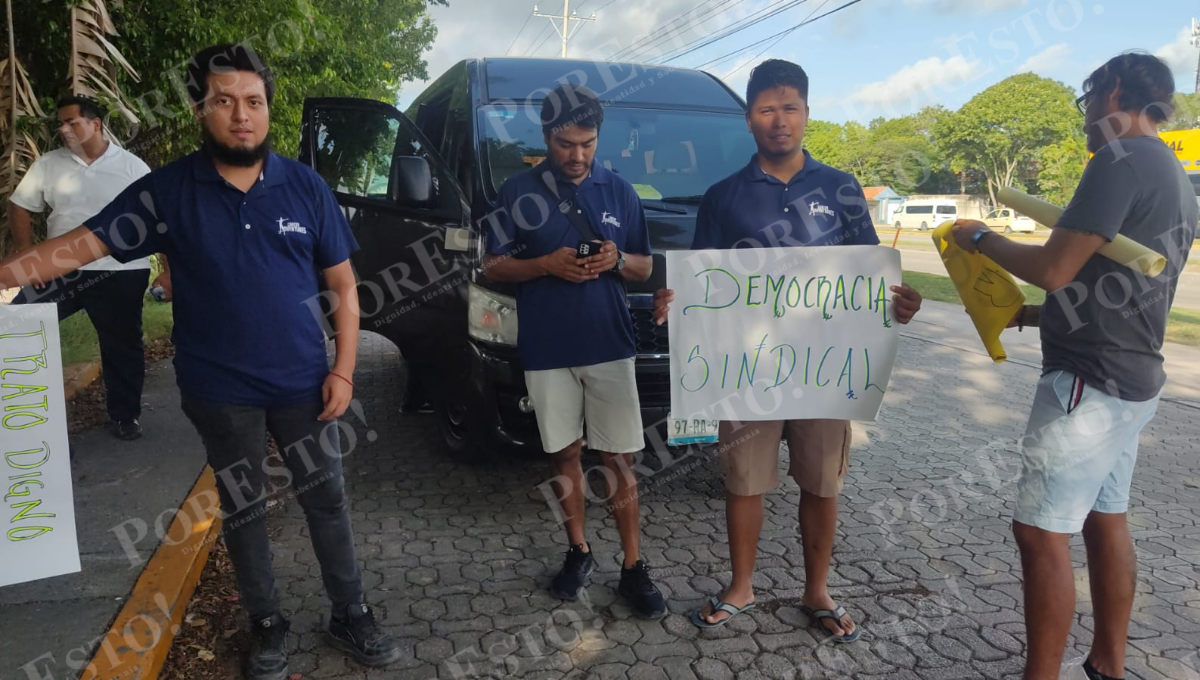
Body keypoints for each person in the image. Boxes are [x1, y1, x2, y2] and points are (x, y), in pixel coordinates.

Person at [0, 44, 400, 680]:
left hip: (305, 383)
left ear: (268, 108)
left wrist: (345, 369)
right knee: (241, 509)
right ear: (199, 110)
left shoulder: (304, 187)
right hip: (219, 390)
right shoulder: (167, 190)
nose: (241, 115)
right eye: (224, 102)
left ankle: (349, 610)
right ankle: (266, 622)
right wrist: (7, 275)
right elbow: (81, 244)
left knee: (326, 499)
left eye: (253, 101)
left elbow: (345, 287)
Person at [653, 60, 923, 640]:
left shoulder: (841, 188)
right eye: (767, 109)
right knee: (743, 480)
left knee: (822, 481)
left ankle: (817, 590)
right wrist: (676, 301)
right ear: (749, 118)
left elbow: (870, 277)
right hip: (749, 368)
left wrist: (896, 304)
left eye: (791, 107)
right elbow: (703, 282)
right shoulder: (723, 197)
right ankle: (741, 586)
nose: (781, 120)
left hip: (825, 370)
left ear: (807, 112)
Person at [951, 52, 1196, 680]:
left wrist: (977, 238)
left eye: (1088, 98)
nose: (1086, 114)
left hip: (1087, 384)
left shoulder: (1117, 158)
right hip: (1132, 380)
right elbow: (1110, 286)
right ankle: (1108, 664)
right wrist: (1031, 318)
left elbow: (1054, 267)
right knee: (1104, 520)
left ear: (1113, 92)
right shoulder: (1171, 172)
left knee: (1039, 533)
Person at [482, 83, 667, 619]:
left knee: (619, 459)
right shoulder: (516, 191)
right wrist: (545, 264)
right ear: (546, 136)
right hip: (546, 348)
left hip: (609, 343)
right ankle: (578, 551)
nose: (578, 155)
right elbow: (492, 265)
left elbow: (644, 267)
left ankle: (634, 567)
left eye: (588, 143)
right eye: (566, 143)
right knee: (563, 452)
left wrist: (614, 259)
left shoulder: (621, 191)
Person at [8, 95, 152, 441]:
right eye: (60, 123)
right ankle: (21, 412)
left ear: (96, 124)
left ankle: (125, 416)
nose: (63, 129)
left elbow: (157, 217)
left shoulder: (133, 167)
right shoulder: (48, 164)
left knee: (122, 344)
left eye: (71, 122)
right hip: (60, 269)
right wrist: (28, 255)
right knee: (18, 325)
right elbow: (19, 205)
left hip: (120, 270)